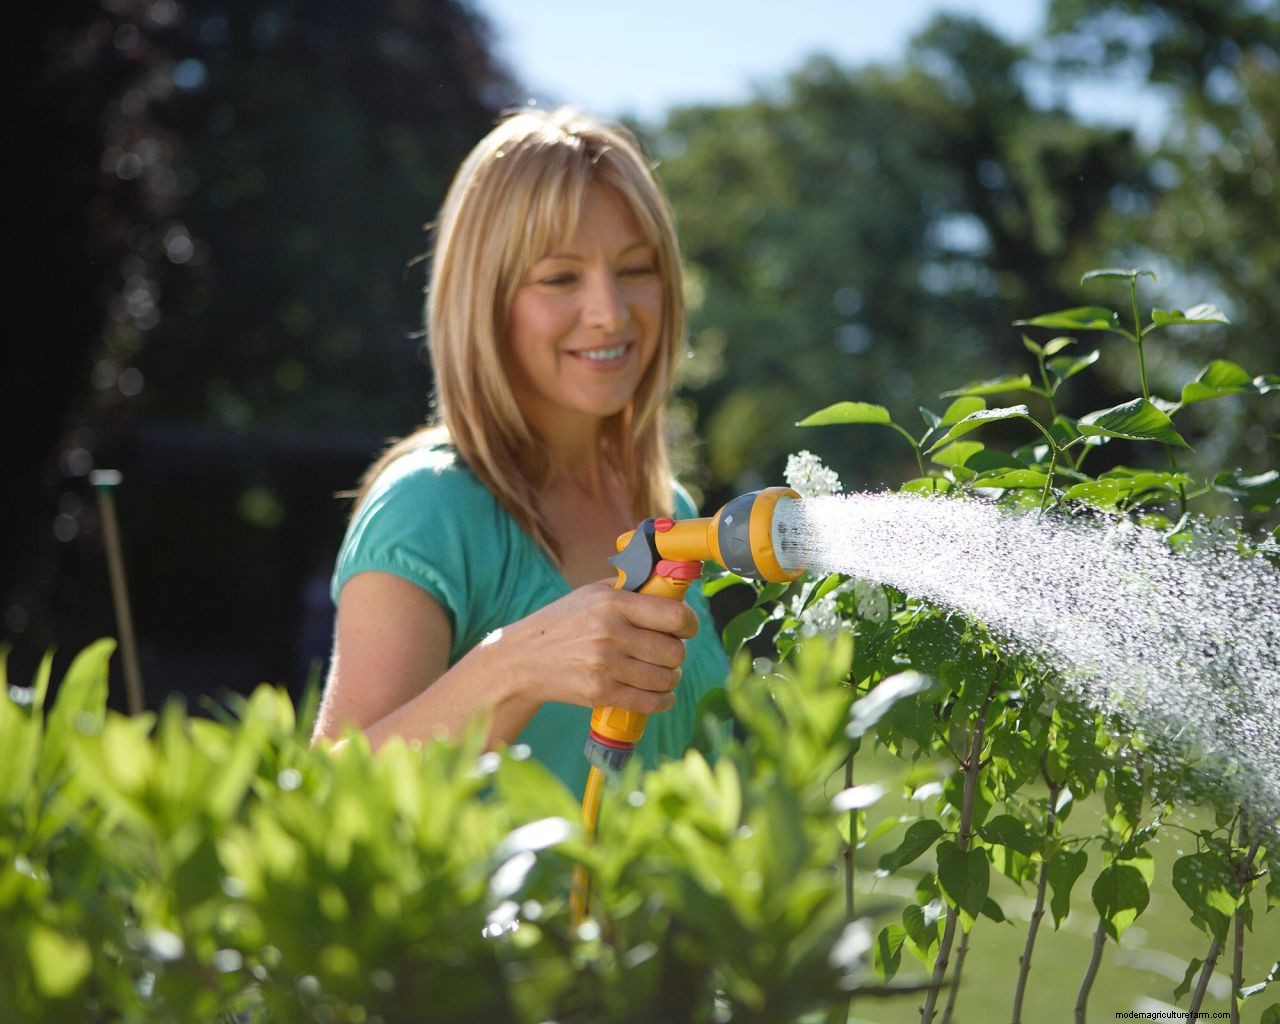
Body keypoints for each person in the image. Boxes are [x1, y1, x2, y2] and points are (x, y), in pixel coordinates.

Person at [311, 107, 730, 795]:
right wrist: (513, 669)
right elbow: (326, 798)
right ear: (485, 298)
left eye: (636, 269)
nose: (611, 312)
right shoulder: (430, 506)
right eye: (561, 278)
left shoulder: (668, 508)